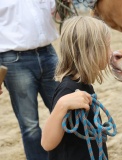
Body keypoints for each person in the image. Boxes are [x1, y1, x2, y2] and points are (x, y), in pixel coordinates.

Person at [41, 16, 112, 160]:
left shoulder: (83, 85)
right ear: (92, 51)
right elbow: (47, 143)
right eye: (107, 46)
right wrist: (62, 105)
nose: (111, 51)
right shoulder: (68, 90)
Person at [0, 0, 59, 159]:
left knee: (65, 111)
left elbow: (58, 12)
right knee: (30, 125)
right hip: (14, 60)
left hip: (48, 53)